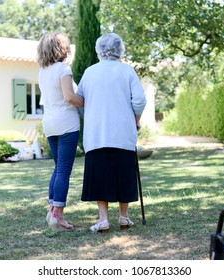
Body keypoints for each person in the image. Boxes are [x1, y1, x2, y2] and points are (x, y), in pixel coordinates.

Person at [77, 33, 147, 232]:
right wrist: (135, 120)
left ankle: (104, 219)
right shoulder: (127, 71)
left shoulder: (90, 72)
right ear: (120, 49)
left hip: (97, 133)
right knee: (124, 173)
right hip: (123, 132)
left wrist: (90, 114)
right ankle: (124, 217)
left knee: (100, 175)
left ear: (98, 50)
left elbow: (80, 101)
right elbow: (140, 100)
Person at [37, 32, 84, 232]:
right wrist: (90, 103)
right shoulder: (63, 69)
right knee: (64, 170)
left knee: (58, 168)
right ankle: (57, 216)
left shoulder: (42, 71)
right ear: (62, 49)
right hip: (66, 124)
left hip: (50, 123)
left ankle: (52, 210)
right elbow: (69, 97)